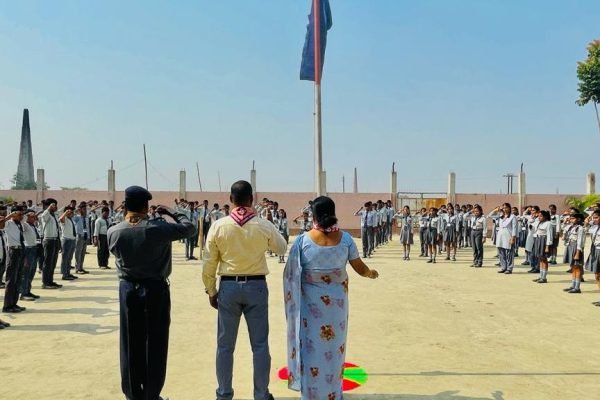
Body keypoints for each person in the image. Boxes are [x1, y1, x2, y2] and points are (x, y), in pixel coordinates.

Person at [283, 196, 379, 400]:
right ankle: (333, 393)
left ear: (314, 215)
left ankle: (311, 394)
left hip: (310, 310)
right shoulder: (345, 240)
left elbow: (291, 275)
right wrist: (370, 273)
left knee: (311, 349)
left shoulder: (302, 241)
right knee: (334, 350)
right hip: (337, 308)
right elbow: (359, 267)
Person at [108, 185, 196, 400]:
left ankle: (132, 393)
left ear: (125, 206)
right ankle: (151, 393)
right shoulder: (157, 229)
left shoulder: (114, 231)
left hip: (127, 288)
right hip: (155, 288)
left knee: (130, 342)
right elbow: (190, 228)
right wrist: (172, 212)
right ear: (146, 207)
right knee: (155, 342)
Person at [202, 180, 287, 400]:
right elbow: (281, 247)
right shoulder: (262, 224)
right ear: (251, 199)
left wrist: (211, 290)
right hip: (256, 286)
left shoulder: (219, 225)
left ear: (231, 199)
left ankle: (224, 394)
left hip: (228, 286)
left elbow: (209, 262)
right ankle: (261, 394)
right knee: (260, 345)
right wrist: (270, 227)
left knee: (225, 346)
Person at [2, 206, 27, 313]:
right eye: (19, 214)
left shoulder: (19, 224)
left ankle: (14, 303)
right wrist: (10, 216)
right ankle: (7, 306)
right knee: (11, 279)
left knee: (18, 279)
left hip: (20, 250)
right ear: (14, 214)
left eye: (22, 214)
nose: (22, 217)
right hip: (13, 251)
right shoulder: (8, 223)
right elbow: (1, 223)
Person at [40, 198, 63, 289]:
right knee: (48, 262)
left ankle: (50, 281)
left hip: (55, 239)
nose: (55, 207)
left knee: (53, 262)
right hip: (48, 240)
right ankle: (45, 283)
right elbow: (44, 218)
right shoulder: (45, 214)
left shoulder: (54, 215)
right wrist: (49, 208)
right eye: (54, 205)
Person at [490, 203, 518, 274]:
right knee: (501, 252)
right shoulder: (501, 216)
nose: (505, 209)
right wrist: (495, 210)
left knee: (509, 253)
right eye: (503, 208)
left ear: (509, 208)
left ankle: (509, 268)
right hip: (500, 235)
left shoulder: (513, 217)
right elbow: (489, 216)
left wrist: (513, 238)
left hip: (508, 236)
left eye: (506, 207)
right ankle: (503, 267)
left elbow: (514, 228)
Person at [563, 213, 586, 294]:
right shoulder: (570, 227)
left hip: (576, 248)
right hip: (570, 246)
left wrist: (577, 253)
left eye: (573, 218)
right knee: (573, 267)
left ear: (578, 219)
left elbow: (580, 241)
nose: (571, 220)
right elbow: (563, 229)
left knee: (577, 267)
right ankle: (573, 285)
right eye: (570, 218)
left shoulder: (580, 228)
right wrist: (565, 222)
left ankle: (577, 287)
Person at [531, 210, 554, 284]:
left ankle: (544, 277)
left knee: (544, 260)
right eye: (538, 216)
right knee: (540, 259)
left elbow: (549, 235)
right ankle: (540, 276)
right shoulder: (539, 222)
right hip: (538, 240)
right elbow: (532, 224)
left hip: (544, 241)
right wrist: (534, 217)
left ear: (545, 216)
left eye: (541, 216)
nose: (539, 217)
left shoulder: (548, 223)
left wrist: (547, 246)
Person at [59, 206, 79, 281]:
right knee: (65, 258)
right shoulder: (64, 219)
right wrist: (65, 213)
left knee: (69, 258)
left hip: (72, 240)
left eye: (72, 212)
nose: (71, 213)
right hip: (66, 240)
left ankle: (68, 273)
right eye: (70, 212)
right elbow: (61, 219)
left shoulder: (71, 219)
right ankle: (64, 274)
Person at [585, 210, 600, 306]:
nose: (594, 219)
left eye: (596, 217)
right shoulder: (594, 227)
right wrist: (587, 221)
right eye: (593, 217)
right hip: (595, 251)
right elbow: (585, 228)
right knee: (597, 275)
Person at [72, 202, 90, 274]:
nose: (85, 211)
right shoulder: (77, 217)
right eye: (84, 209)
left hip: (85, 236)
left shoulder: (86, 218)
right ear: (80, 210)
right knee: (78, 253)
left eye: (86, 209)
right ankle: (77, 268)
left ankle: (81, 267)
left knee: (83, 253)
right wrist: (76, 210)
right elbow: (71, 216)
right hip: (79, 236)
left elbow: (87, 227)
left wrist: (88, 236)